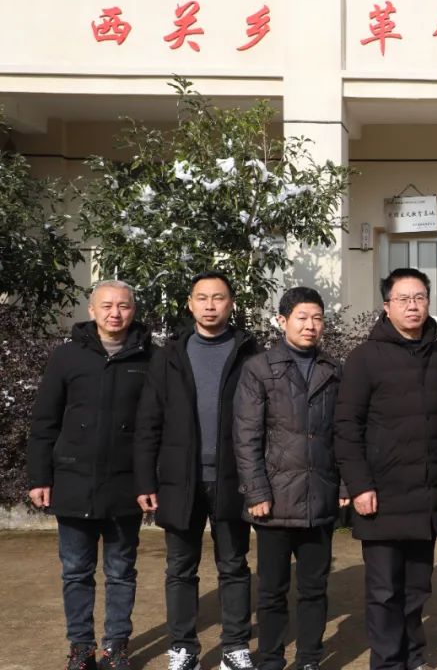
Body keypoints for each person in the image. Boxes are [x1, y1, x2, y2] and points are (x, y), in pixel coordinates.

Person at [134, 271, 261, 670]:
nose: (210, 305)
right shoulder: (169, 355)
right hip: (179, 479)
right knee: (180, 568)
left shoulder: (249, 352)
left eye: (218, 297)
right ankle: (183, 647)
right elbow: (149, 421)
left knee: (234, 566)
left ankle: (235, 647)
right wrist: (146, 480)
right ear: (189, 304)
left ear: (231, 303)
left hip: (232, 478)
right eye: (202, 298)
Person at [27, 280, 154, 670]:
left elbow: (155, 427)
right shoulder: (67, 356)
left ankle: (116, 647)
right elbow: (45, 421)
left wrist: (149, 482)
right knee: (76, 572)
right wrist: (39, 477)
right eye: (107, 305)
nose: (115, 313)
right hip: (73, 481)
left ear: (134, 310)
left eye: (123, 306)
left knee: (121, 571)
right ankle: (81, 647)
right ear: (92, 310)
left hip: (125, 484)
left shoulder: (151, 358)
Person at [334, 268, 437, 670]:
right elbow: (346, 427)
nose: (412, 306)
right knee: (384, 591)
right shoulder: (365, 358)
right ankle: (387, 662)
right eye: (403, 299)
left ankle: (414, 658)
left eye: (419, 297)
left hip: (426, 495)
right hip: (381, 496)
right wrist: (359, 484)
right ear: (387, 307)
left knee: (418, 588)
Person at [232, 287, 345, 670]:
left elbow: (343, 433)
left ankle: (309, 658)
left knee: (314, 588)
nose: (310, 325)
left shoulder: (333, 370)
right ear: (282, 321)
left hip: (319, 497)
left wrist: (344, 485)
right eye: (302, 317)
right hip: (274, 501)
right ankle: (271, 659)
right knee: (272, 591)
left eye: (317, 318)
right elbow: (246, 436)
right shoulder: (259, 369)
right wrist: (256, 491)